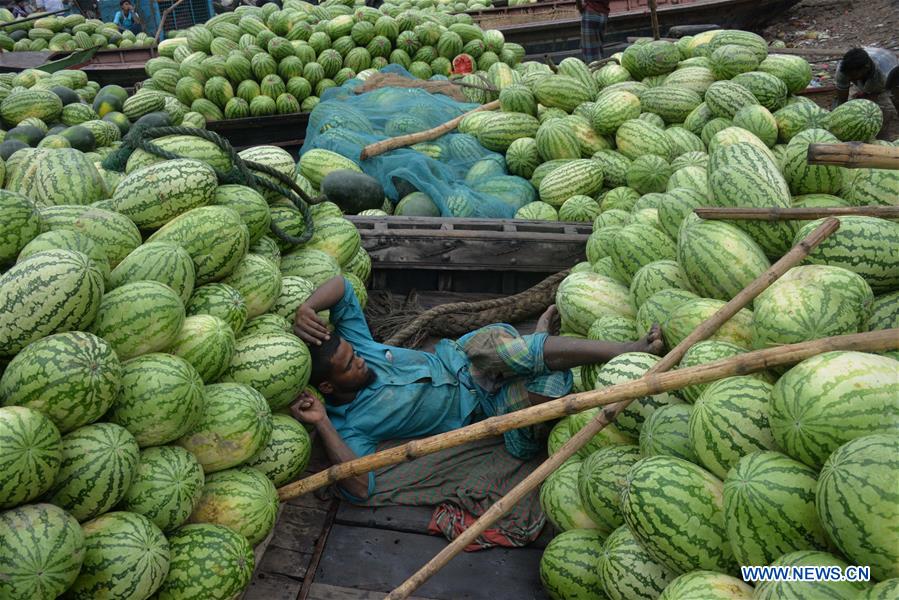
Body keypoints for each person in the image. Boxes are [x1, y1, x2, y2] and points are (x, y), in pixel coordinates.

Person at [290, 275, 665, 502]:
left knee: (500, 348)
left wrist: (306, 308)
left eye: (354, 353)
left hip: (469, 357)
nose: (359, 361)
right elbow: (358, 487)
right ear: (328, 385)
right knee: (550, 391)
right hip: (485, 406)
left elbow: (340, 286)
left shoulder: (360, 346)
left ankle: (628, 350)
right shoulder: (351, 424)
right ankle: (539, 346)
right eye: (349, 366)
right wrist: (321, 422)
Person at [834, 47, 899, 139]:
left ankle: (883, 140)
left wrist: (867, 99)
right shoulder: (844, 69)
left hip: (890, 77)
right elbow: (842, 93)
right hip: (869, 75)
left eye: (853, 76)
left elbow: (886, 94)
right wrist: (840, 113)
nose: (850, 79)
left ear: (866, 68)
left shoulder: (886, 74)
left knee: (885, 111)